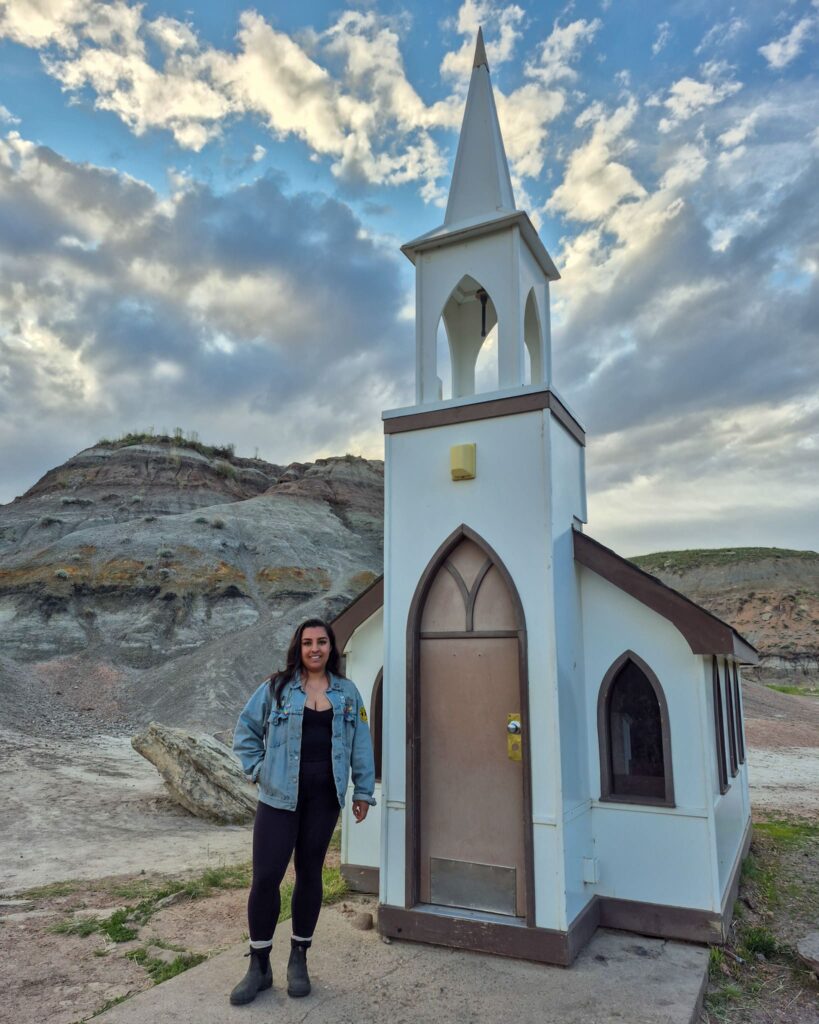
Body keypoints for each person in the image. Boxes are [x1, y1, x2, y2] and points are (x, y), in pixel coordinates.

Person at [230, 617, 375, 1005]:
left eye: (322, 642)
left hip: (324, 798)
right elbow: (245, 732)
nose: (315, 649)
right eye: (308, 642)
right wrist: (260, 771)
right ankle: (259, 965)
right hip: (278, 799)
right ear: (299, 646)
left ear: (331, 647)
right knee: (265, 878)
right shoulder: (276, 689)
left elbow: (361, 741)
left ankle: (299, 959)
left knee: (309, 874)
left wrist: (363, 789)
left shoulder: (348, 693)